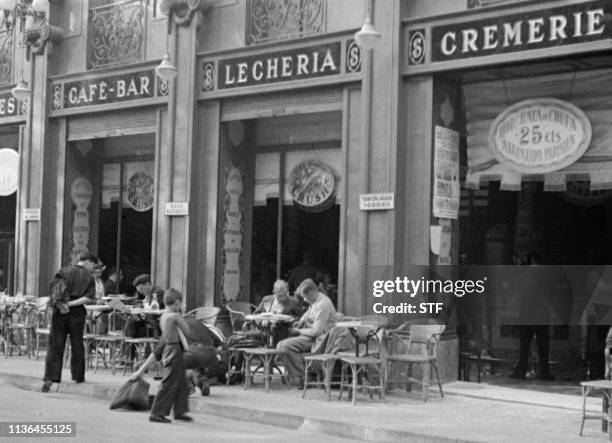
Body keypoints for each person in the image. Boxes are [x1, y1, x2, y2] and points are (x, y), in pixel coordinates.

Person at [129, 288, 192, 423]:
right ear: (177, 302)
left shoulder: (163, 315)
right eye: (180, 303)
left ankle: (180, 411)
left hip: (168, 349)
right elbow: (188, 331)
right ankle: (157, 412)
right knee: (169, 383)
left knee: (181, 382)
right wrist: (182, 314)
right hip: (174, 349)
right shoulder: (174, 316)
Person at [42, 252, 98, 392]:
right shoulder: (89, 277)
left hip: (59, 312)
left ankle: (51, 377)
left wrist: (63, 304)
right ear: (87, 261)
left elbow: (54, 291)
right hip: (77, 313)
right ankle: (78, 376)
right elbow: (88, 298)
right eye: (93, 265)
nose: (93, 268)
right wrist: (71, 304)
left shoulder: (63, 271)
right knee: (77, 344)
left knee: (56, 344)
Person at [276, 279, 336, 389]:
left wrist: (298, 331)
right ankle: (304, 372)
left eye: (305, 296)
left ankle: (304, 376)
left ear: (311, 292)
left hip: (320, 339)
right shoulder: (316, 300)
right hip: (310, 335)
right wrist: (302, 321)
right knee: (282, 343)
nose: (304, 299)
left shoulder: (323, 304)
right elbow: (309, 311)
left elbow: (316, 331)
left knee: (284, 346)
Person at [509, 253, 555, 380]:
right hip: (542, 313)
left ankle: (521, 371)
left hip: (527, 312)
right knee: (543, 346)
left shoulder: (525, 273)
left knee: (524, 345)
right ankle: (545, 373)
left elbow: (520, 290)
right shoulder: (546, 274)